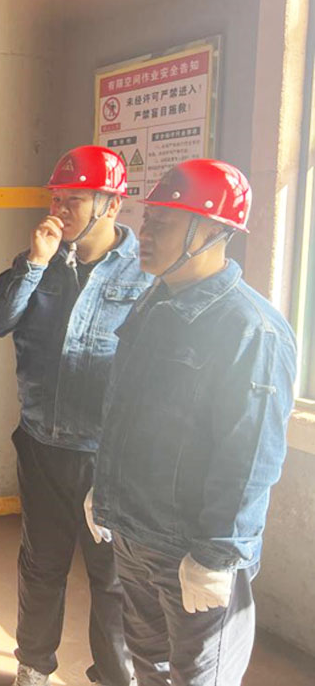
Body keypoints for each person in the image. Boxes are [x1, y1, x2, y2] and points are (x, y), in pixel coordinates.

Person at [86, 159, 296, 686]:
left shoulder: (252, 330)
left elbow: (250, 456)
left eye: (163, 223)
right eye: (148, 219)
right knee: (149, 668)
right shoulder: (153, 303)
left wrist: (218, 556)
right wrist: (103, 490)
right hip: (134, 533)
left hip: (191, 550)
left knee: (200, 678)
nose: (144, 233)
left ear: (212, 231)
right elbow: (123, 408)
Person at [0, 146, 148, 686]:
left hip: (107, 456)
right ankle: (33, 667)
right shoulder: (40, 260)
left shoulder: (146, 274)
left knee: (112, 577)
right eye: (57, 198)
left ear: (111, 204)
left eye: (75, 199)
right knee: (41, 564)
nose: (61, 209)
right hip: (41, 444)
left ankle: (115, 676)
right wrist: (34, 263)